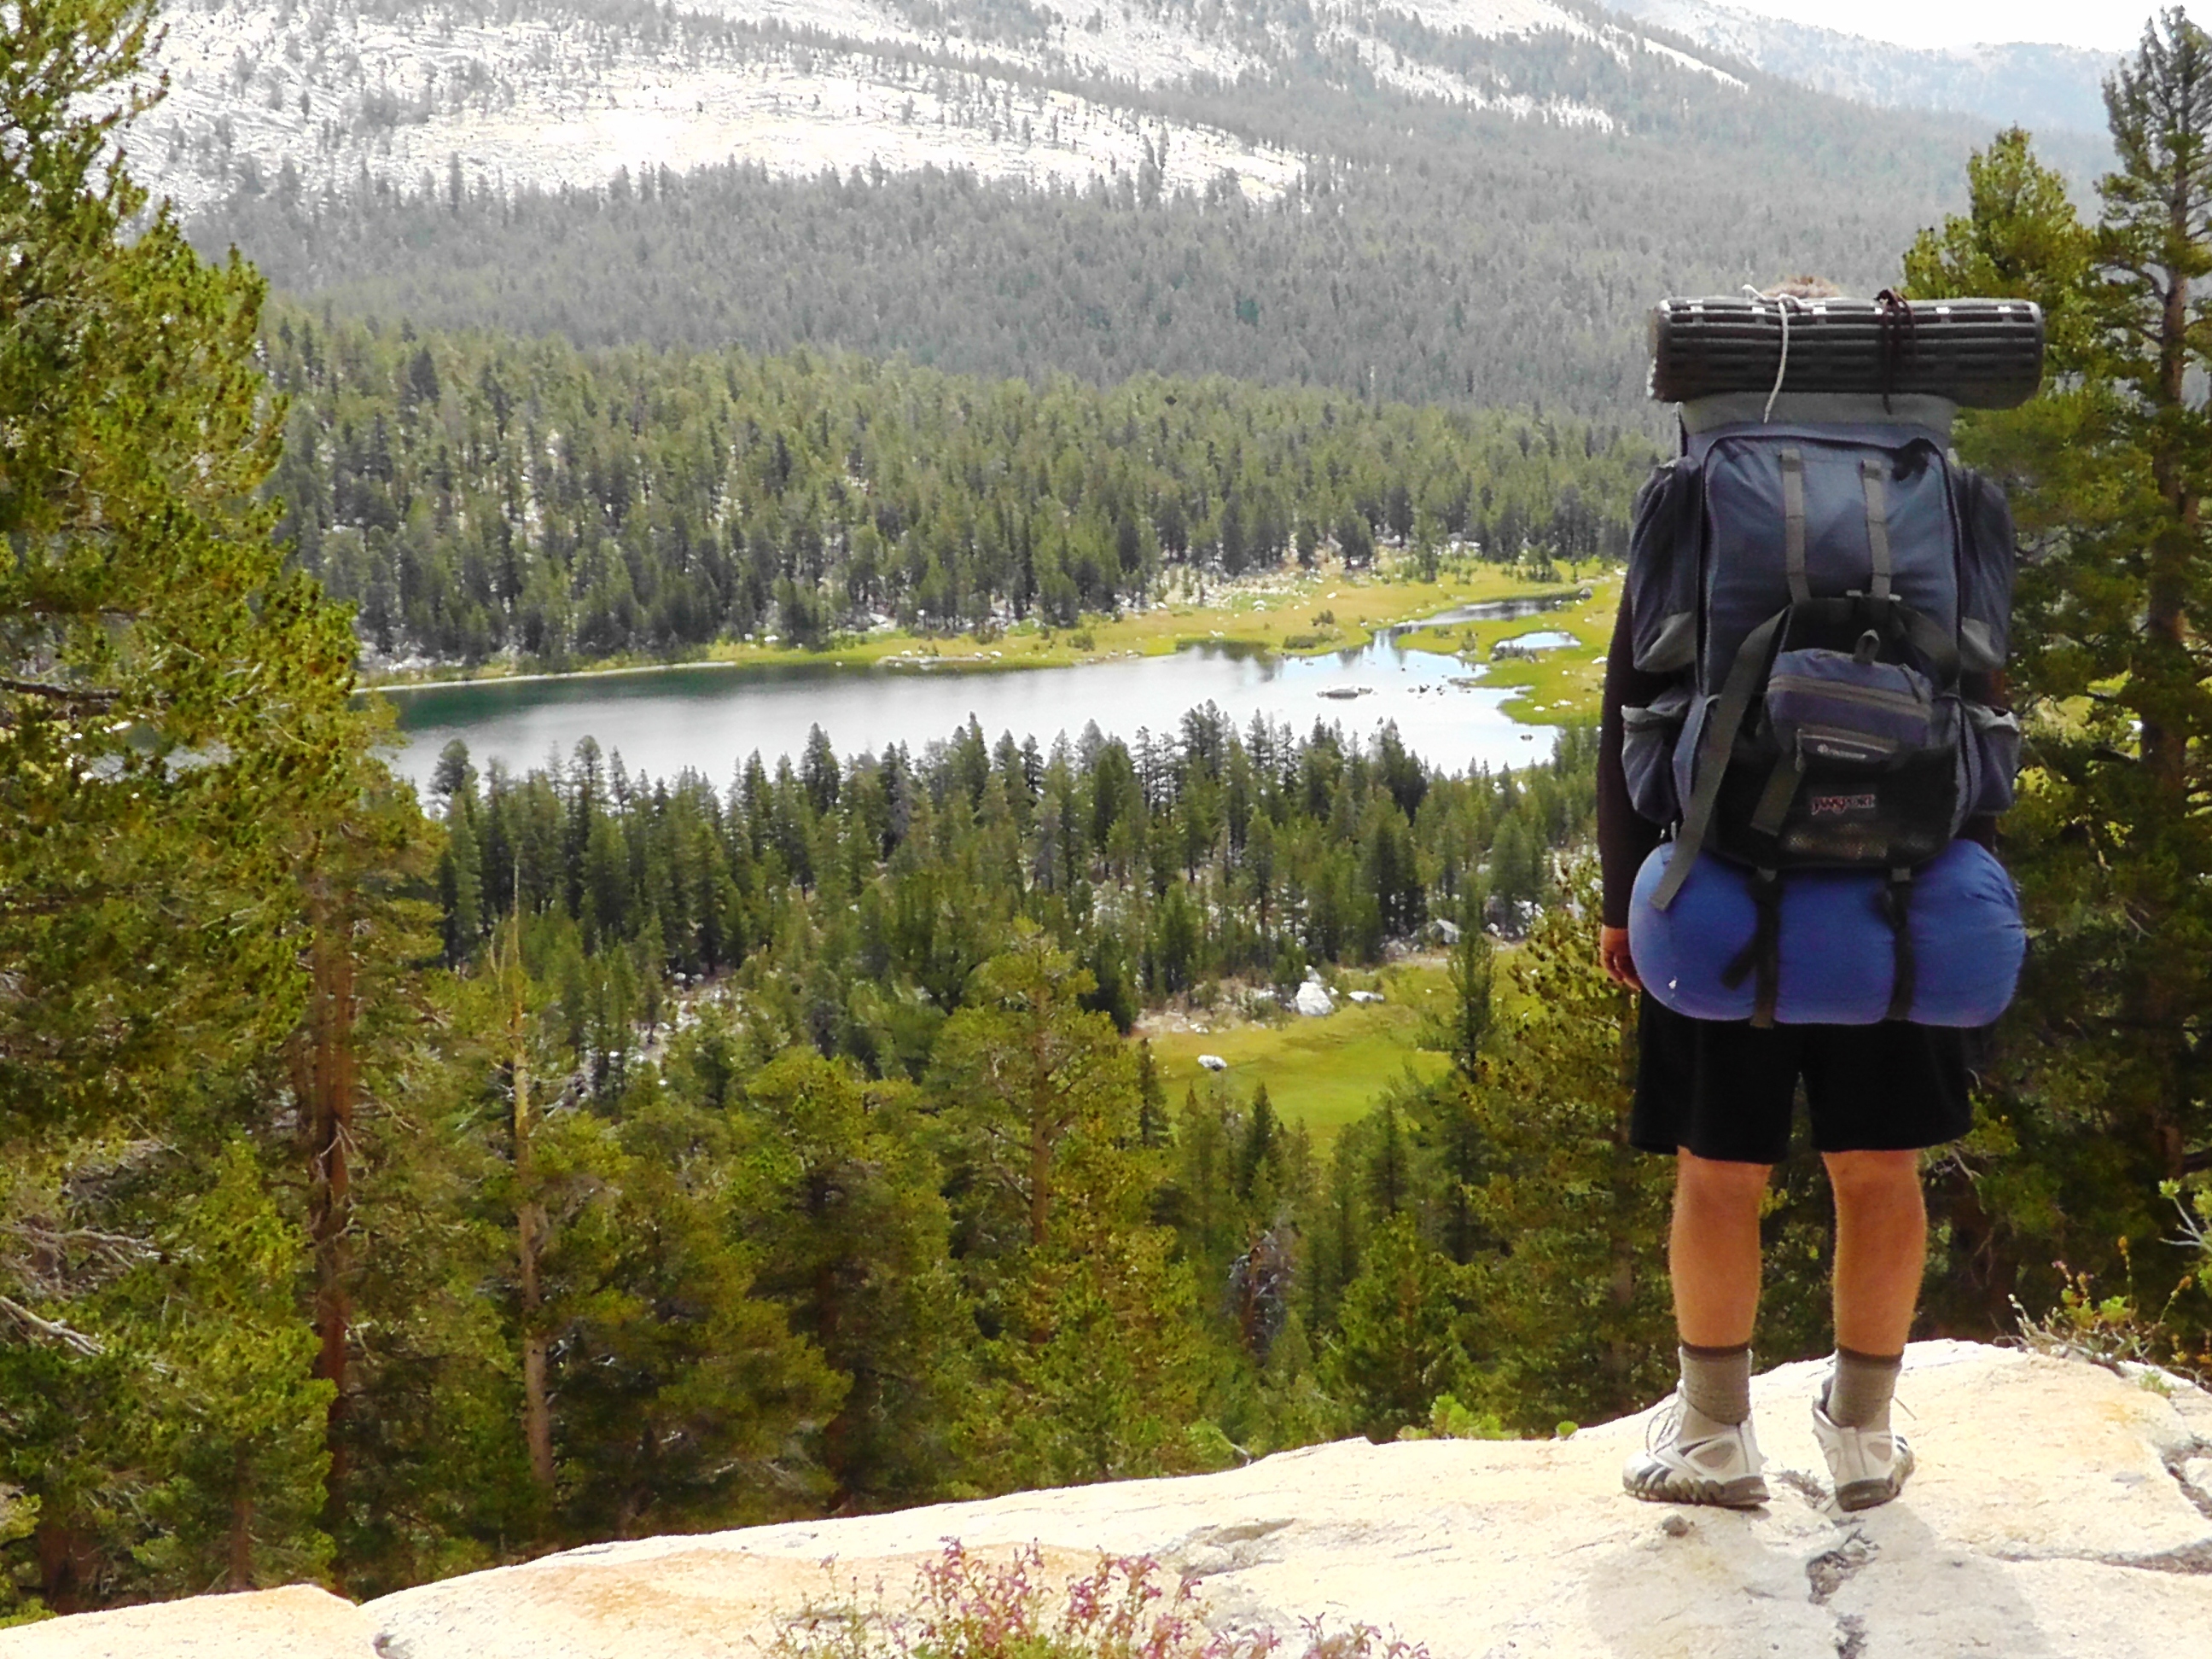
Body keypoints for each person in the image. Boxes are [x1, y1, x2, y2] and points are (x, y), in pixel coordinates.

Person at [1596, 573, 1998, 1513]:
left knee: (1719, 1171)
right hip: (1899, 889)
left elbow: (1630, 708)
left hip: (1724, 888)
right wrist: (1960, 872)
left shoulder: (1707, 500)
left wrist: (1625, 900)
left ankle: (1712, 1438)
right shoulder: (1921, 514)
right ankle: (1862, 1437)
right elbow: (1981, 708)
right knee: (1879, 1167)